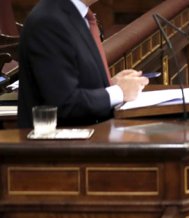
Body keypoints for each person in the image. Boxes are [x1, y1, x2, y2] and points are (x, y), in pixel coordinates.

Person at [17, 0, 149, 128]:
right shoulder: (48, 21)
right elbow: (64, 104)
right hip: (58, 146)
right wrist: (119, 92)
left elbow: (75, 81)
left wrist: (112, 85)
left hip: (89, 137)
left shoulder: (77, 14)